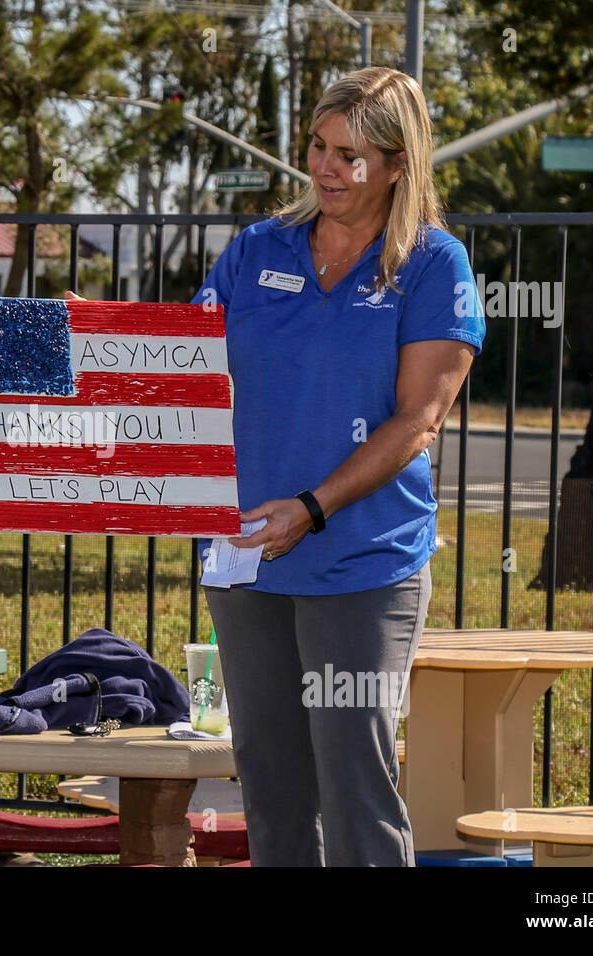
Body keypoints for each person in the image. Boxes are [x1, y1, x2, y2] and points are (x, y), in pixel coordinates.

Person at [191, 67, 485, 866]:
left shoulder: (434, 265)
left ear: (399, 164)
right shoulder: (258, 248)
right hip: (245, 557)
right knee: (271, 784)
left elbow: (418, 420)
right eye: (318, 147)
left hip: (362, 562)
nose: (326, 168)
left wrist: (311, 508)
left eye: (351, 155)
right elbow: (178, 360)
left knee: (355, 780)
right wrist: (100, 333)